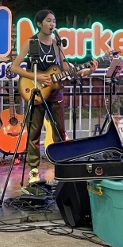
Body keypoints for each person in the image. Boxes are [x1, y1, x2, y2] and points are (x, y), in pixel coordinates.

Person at [9, 10, 97, 190]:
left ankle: (61, 170)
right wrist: (38, 77)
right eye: (49, 21)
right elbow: (14, 67)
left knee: (60, 132)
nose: (52, 24)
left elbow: (66, 68)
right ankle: (34, 171)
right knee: (34, 132)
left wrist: (86, 71)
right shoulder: (31, 43)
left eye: (54, 21)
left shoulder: (57, 44)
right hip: (35, 91)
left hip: (56, 93)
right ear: (39, 23)